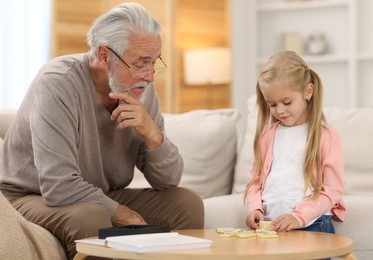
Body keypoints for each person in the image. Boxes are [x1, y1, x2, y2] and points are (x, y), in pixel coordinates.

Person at [0, 3, 204, 259]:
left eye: (154, 62)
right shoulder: (57, 83)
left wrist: (153, 135)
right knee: (92, 215)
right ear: (105, 56)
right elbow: (57, 184)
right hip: (29, 195)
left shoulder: (142, 90)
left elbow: (168, 181)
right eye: (141, 62)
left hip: (98, 193)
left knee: (187, 204)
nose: (151, 75)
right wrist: (123, 213)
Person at [245, 51, 346, 235]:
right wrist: (255, 208)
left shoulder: (326, 136)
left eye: (287, 102)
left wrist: (299, 216)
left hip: (312, 224)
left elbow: (332, 190)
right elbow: (255, 181)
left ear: (308, 92)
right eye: (272, 104)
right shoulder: (267, 136)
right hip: (270, 226)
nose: (280, 110)